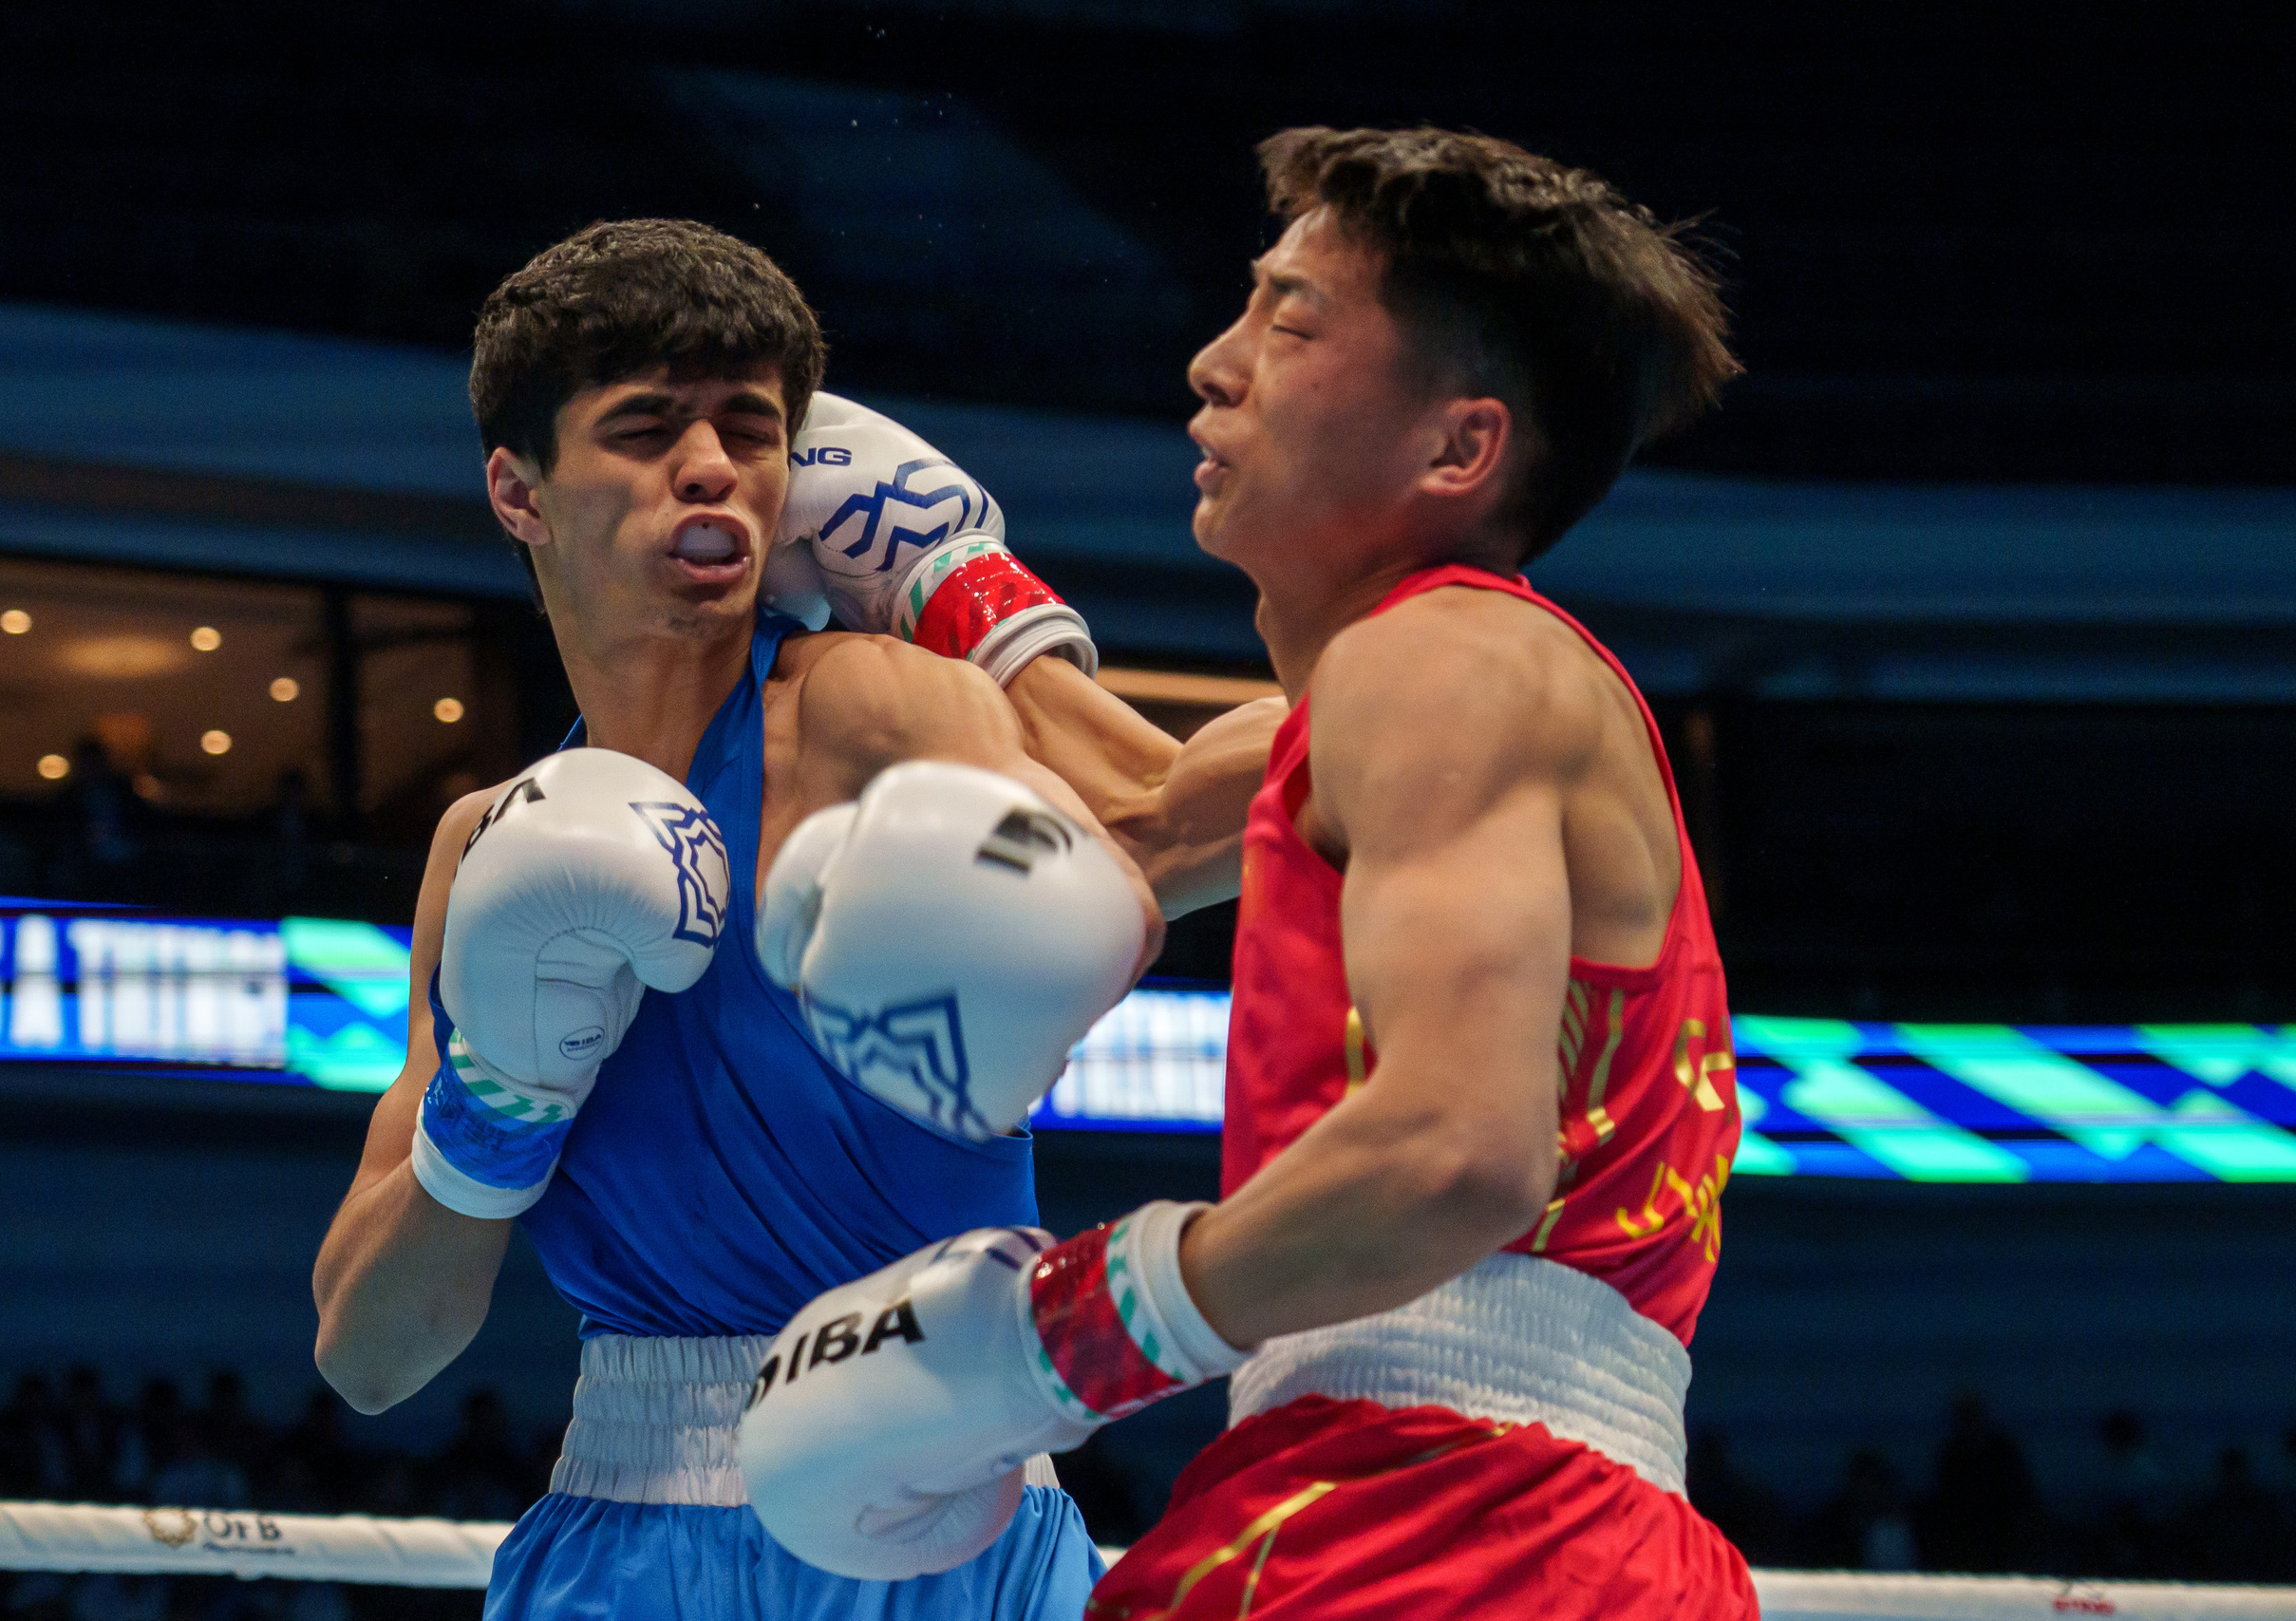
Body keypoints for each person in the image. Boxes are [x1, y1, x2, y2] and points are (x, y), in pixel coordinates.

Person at [739, 125, 1756, 1620]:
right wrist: (945, 573)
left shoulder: (1443, 663)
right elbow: (1132, 816)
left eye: (1289, 322)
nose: (1215, 363)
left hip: (1459, 1520)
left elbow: (1457, 1154)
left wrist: (1065, 1334)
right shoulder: (1393, 703)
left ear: (1459, 447)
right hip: (1437, 1502)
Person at [310, 218, 1275, 1621]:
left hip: (935, 1501)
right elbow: (371, 1356)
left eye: (749, 432)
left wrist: (979, 614)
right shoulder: (487, 848)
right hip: (618, 1524)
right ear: (519, 493)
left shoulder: (869, 704)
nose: (708, 467)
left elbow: (1134, 853)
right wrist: (502, 1097)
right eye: (645, 428)